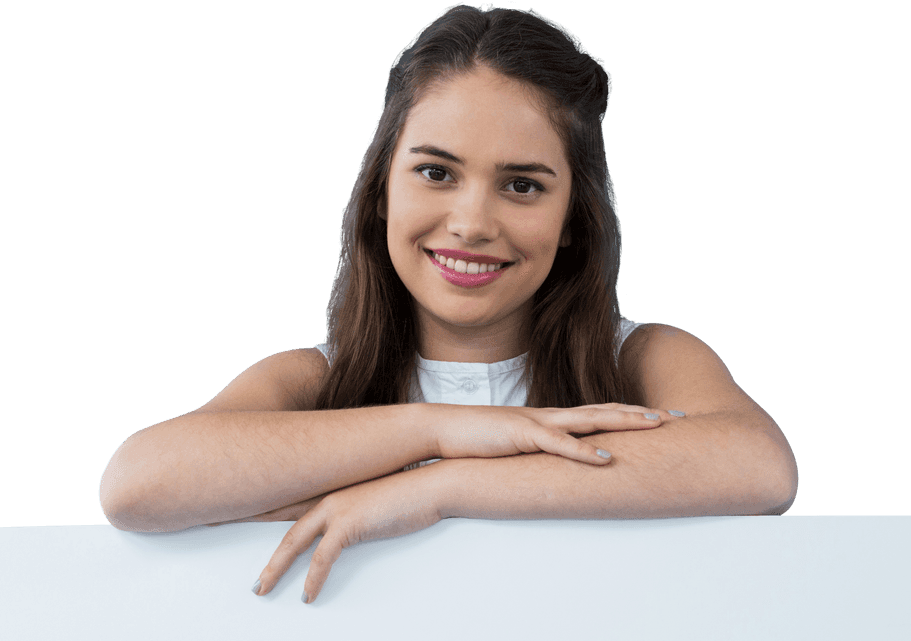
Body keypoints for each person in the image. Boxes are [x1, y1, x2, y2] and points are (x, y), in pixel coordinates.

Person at [99, 4, 797, 603]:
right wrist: (437, 431)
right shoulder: (312, 381)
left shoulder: (643, 358)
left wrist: (438, 489)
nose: (470, 222)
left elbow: (759, 466)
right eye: (436, 172)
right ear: (381, 192)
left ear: (573, 218)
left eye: (522, 185)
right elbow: (136, 484)